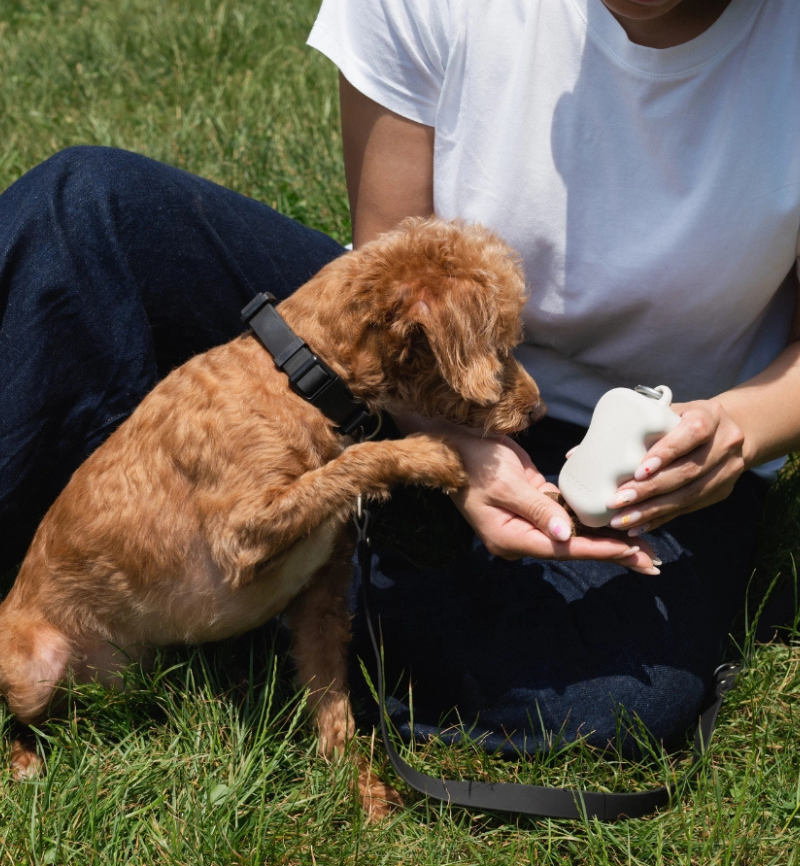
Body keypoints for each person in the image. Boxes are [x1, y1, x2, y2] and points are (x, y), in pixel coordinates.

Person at [0, 0, 797, 756]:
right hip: (409, 371)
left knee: (614, 704)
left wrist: (737, 430)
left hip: (661, 448)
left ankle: (246, 591)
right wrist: (447, 441)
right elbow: (386, 253)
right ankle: (114, 593)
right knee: (85, 208)